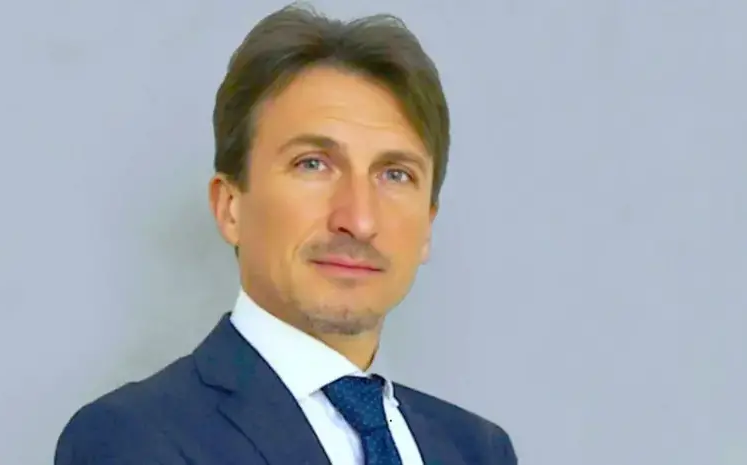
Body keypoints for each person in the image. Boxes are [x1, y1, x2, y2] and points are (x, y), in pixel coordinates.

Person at [55, 4, 517, 465]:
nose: (359, 220)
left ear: (427, 225)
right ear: (230, 207)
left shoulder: (479, 450)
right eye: (312, 164)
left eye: (395, 174)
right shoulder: (132, 439)